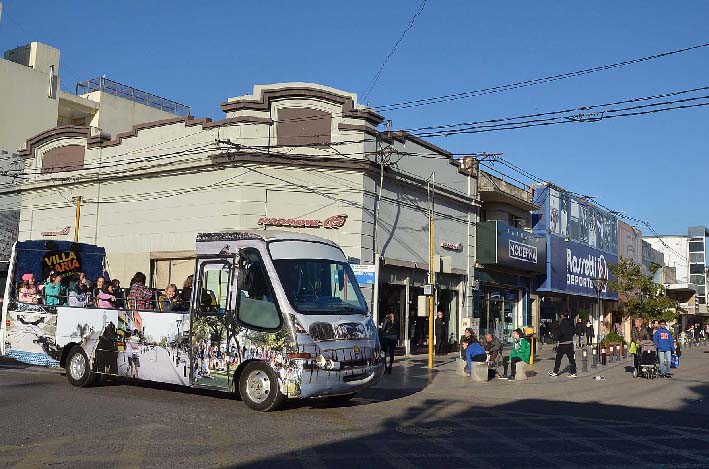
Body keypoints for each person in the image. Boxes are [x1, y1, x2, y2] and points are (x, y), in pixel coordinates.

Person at [549, 312, 577, 378]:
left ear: (562, 315)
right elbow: (574, 331)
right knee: (571, 359)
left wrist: (556, 337)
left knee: (558, 358)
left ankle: (555, 371)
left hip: (563, 343)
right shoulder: (571, 322)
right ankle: (573, 373)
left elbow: (561, 332)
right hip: (570, 342)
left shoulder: (562, 322)